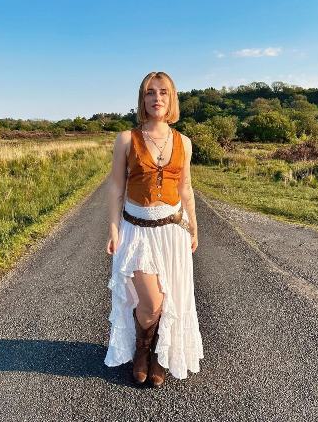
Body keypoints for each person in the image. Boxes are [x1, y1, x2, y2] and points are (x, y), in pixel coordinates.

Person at [104, 71, 204, 387]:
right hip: (137, 231)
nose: (156, 98)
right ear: (142, 99)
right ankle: (141, 346)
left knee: (171, 296)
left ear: (171, 98)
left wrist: (194, 227)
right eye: (150, 93)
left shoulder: (183, 142)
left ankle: (158, 353)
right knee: (151, 302)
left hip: (172, 230)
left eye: (162, 92)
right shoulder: (125, 139)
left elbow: (186, 187)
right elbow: (115, 187)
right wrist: (113, 228)